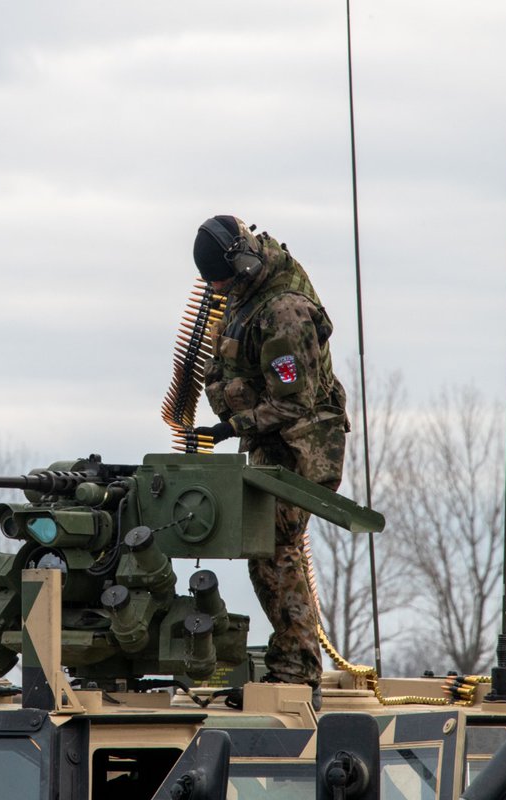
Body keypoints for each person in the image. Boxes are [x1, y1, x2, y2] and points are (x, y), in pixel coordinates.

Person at [190, 215, 349, 699]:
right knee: (268, 549)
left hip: (300, 445)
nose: (218, 292)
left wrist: (231, 425)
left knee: (273, 550)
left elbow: (293, 402)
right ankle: (295, 661)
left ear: (241, 263)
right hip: (272, 439)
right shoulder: (248, 290)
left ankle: (298, 670)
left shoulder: (284, 312)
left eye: (222, 282)